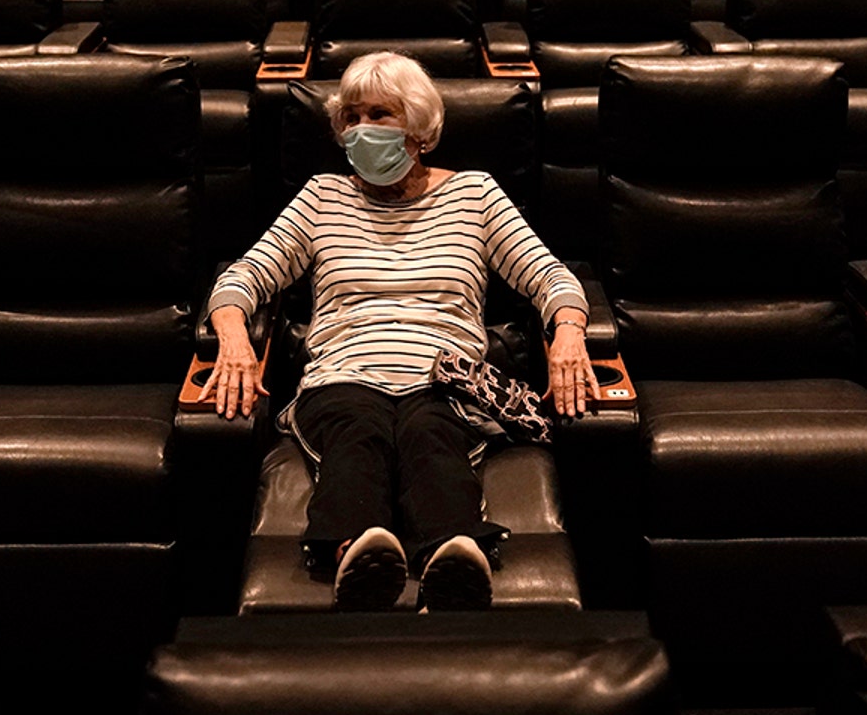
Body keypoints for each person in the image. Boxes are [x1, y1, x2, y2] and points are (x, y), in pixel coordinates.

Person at [200, 51, 597, 611]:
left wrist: (569, 335)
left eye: (380, 115)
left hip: (444, 378)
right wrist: (235, 338)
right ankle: (353, 556)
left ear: (419, 130)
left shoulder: (476, 195)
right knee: (358, 428)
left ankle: (456, 557)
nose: (362, 130)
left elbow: (552, 278)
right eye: (352, 117)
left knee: (428, 432)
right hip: (342, 375)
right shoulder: (321, 196)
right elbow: (243, 277)